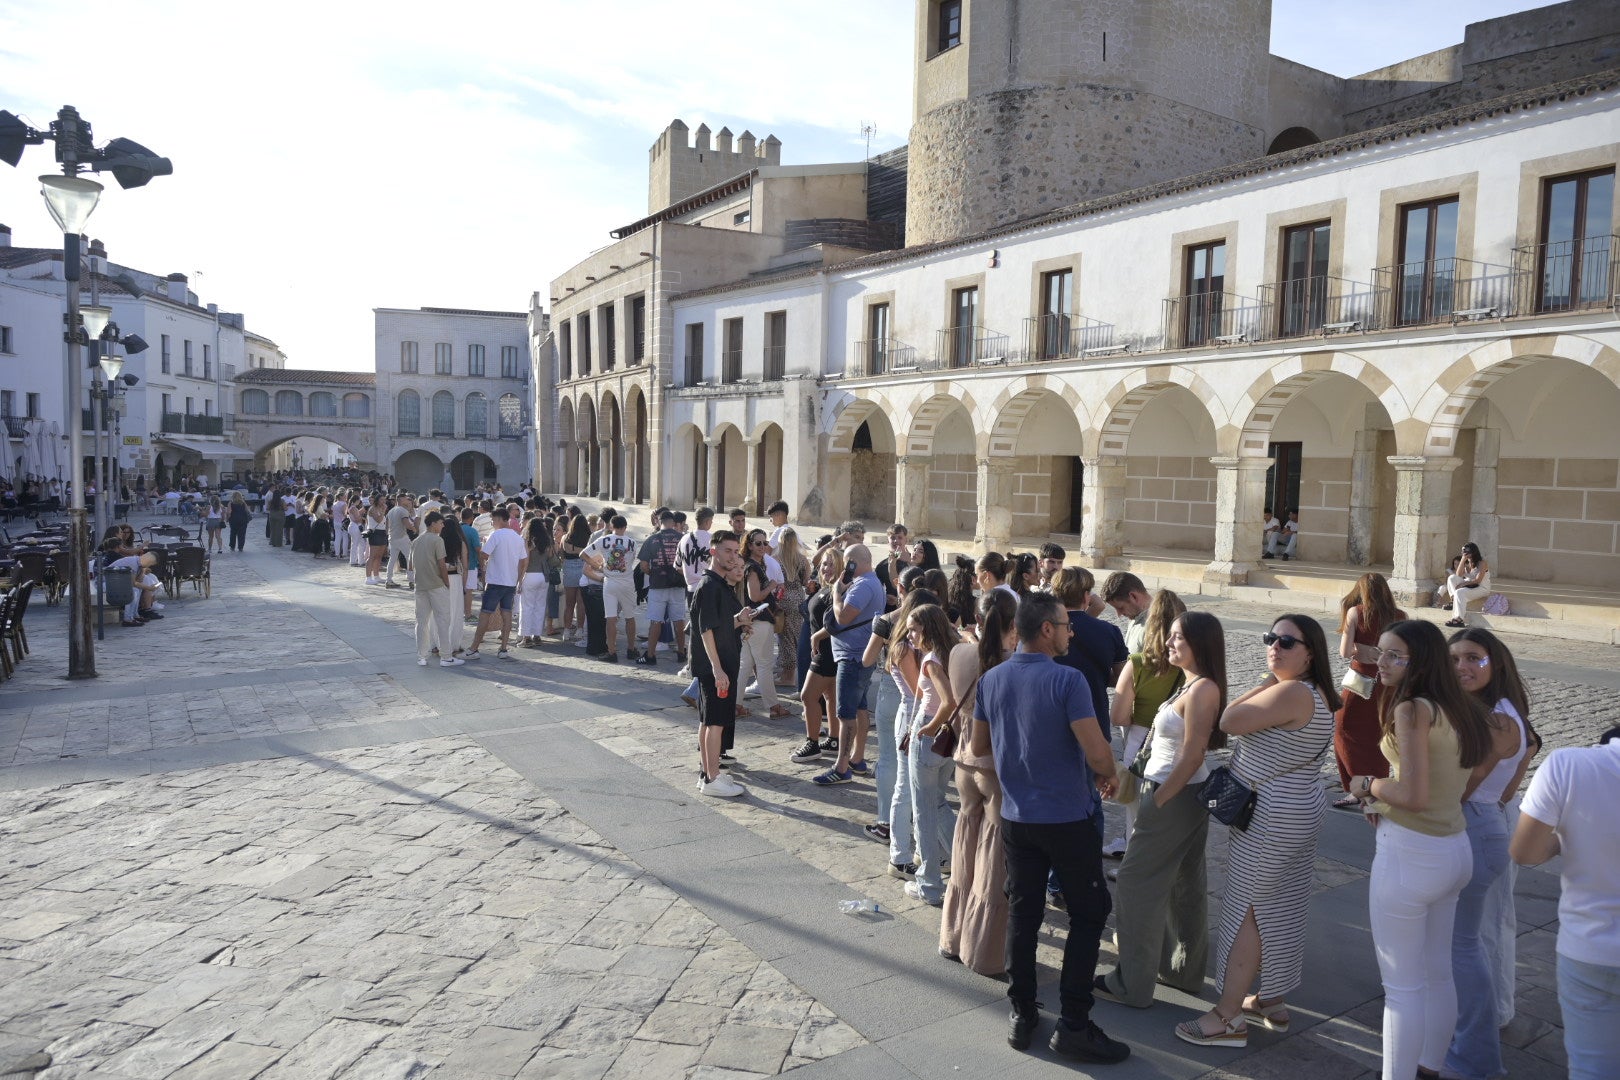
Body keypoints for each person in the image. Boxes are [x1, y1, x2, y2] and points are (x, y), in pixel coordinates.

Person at [972, 593, 1128, 1064]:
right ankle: (1075, 1023)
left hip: (1018, 817)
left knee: (1025, 912)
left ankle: (1022, 1014)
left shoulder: (992, 678)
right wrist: (1107, 772)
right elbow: (1097, 750)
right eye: (1065, 625)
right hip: (1066, 817)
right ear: (1045, 630)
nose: (1071, 632)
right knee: (1088, 911)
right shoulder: (1068, 679)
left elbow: (981, 745)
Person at [1179, 614, 1339, 1048]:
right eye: (1271, 638)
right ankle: (1272, 999)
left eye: (1288, 642)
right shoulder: (1317, 691)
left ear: (1311, 652)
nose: (1276, 647)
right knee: (1283, 905)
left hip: (1271, 817)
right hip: (1297, 809)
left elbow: (1229, 720)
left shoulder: (1289, 691)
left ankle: (1228, 1017)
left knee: (1247, 908)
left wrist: (1269, 678)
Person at [1347, 619, 1491, 1080]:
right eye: (1381, 652)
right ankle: (1430, 1064)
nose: (1381, 663)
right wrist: (1382, 799)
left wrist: (1367, 784)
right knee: (1437, 973)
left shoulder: (1413, 709)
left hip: (1412, 853)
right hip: (1453, 847)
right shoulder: (1460, 706)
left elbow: (1412, 794)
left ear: (1419, 662)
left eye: (1394, 656)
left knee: (1402, 987)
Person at [1098, 608, 1223, 1008]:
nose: (1168, 643)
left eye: (1177, 638)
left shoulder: (1202, 689)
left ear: (1199, 645)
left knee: (1135, 883)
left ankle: (1131, 983)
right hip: (1178, 790)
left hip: (1174, 792)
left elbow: (1193, 753)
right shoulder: (1192, 684)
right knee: (1184, 884)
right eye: (1169, 636)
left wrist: (1161, 798)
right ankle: (1180, 969)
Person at [1444, 628, 1538, 1080]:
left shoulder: (1498, 718)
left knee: (1476, 938)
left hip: (1475, 826)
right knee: (1473, 935)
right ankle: (1475, 1025)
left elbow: (1465, 787)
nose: (1462, 666)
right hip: (1485, 820)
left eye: (1473, 658)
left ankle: (1486, 1028)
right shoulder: (1493, 711)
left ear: (1494, 664)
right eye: (1455, 658)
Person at [1511, 725, 1620, 1080]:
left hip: (1590, 947)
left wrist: (1566, 839)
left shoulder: (1568, 765)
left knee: (1591, 1068)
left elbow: (1525, 852)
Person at [939, 589, 1017, 978]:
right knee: (992, 859)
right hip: (996, 768)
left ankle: (953, 937)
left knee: (965, 848)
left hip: (964, 762)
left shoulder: (959, 654)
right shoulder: (1011, 666)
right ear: (1013, 625)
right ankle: (984, 950)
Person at [1103, 589, 1188, 858]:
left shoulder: (1138, 664)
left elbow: (1117, 716)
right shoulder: (1191, 666)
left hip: (1142, 739)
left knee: (1137, 817)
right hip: (1182, 741)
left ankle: (1135, 866)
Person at [897, 603, 961, 907]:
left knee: (924, 811)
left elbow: (946, 701)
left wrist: (928, 729)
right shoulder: (955, 653)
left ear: (929, 629)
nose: (910, 635)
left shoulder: (933, 660)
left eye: (913, 628)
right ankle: (961, 863)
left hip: (931, 735)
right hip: (949, 739)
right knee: (937, 802)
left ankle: (930, 884)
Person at [812, 543, 885, 786]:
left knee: (845, 714)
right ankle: (857, 759)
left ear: (854, 561)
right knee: (860, 708)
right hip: (858, 655)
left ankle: (842, 767)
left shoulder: (863, 585)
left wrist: (836, 592)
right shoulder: (872, 582)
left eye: (847, 562)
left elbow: (843, 617)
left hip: (852, 657)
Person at [690, 530, 755, 797]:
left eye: (736, 551)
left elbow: (718, 625)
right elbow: (705, 631)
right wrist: (717, 669)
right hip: (716, 666)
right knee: (714, 722)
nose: (733, 556)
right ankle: (712, 778)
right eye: (728, 551)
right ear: (714, 552)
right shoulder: (710, 586)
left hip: (721, 663)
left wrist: (739, 623)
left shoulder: (718, 585)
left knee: (709, 720)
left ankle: (708, 774)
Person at [1333, 573, 1405, 807]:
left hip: (1361, 681)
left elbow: (1344, 652)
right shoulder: (1400, 616)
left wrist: (1361, 649)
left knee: (1343, 730)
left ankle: (1357, 787)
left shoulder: (1356, 612)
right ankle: (1379, 783)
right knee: (1379, 734)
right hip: (1389, 685)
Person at [467, 508, 526, 660]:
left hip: (495, 581)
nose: (492, 523)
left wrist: (485, 549)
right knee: (506, 615)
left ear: (499, 519)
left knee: (485, 614)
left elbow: (484, 554)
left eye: (493, 520)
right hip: (510, 582)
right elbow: (522, 559)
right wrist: (519, 579)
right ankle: (504, 648)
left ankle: (474, 648)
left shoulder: (496, 535)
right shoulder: (518, 537)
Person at [583, 515, 639, 663]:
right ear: (625, 527)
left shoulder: (603, 540)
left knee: (610, 618)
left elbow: (583, 554)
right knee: (630, 617)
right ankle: (631, 649)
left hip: (610, 581)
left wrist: (598, 567)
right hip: (626, 581)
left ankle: (611, 651)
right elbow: (631, 560)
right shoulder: (632, 542)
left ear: (611, 526)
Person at [411, 512, 463, 667]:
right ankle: (446, 656)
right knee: (443, 620)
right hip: (436, 585)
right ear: (433, 523)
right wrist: (447, 583)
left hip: (420, 586)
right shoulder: (437, 540)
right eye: (440, 522)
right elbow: (441, 564)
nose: (443, 525)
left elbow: (410, 565)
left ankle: (422, 656)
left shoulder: (416, 541)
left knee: (421, 622)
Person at [637, 510, 686, 665]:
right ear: (673, 522)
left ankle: (650, 655)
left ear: (659, 521)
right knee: (679, 620)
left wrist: (653, 573)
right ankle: (681, 652)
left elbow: (643, 565)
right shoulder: (682, 539)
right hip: (678, 584)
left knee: (656, 621)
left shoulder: (652, 539)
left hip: (658, 584)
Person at [774, 528, 811, 688]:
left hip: (782, 600)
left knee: (785, 638)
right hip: (799, 599)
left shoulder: (775, 559)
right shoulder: (802, 559)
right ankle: (789, 672)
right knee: (796, 636)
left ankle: (788, 676)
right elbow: (806, 581)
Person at [516, 518, 551, 648]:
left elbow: (525, 562)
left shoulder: (528, 541)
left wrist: (519, 580)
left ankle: (526, 637)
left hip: (530, 574)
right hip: (544, 576)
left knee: (526, 607)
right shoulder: (547, 541)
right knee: (540, 607)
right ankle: (536, 635)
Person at [1440, 542, 1491, 628]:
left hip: (1481, 588)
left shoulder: (1482, 563)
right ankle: (1453, 600)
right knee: (1452, 578)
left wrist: (1463, 584)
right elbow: (1458, 574)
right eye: (1463, 551)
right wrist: (1463, 560)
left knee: (1460, 592)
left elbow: (1478, 580)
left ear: (1473, 552)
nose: (1465, 553)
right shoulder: (1467, 563)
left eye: (1467, 552)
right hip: (1469, 585)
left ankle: (1459, 619)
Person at [559, 514, 591, 641]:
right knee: (581, 603)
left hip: (569, 568)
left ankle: (566, 631)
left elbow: (561, 555)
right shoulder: (588, 538)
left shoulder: (565, 538)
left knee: (569, 603)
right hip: (583, 568)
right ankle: (580, 629)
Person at [1101, 572, 1152, 653]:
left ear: (1133, 597)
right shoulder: (1135, 617)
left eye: (1121, 608)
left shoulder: (1155, 625)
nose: (1119, 614)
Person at [384, 494, 417, 588]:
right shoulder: (403, 511)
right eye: (406, 499)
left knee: (392, 559)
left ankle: (388, 580)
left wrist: (388, 534)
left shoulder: (391, 511)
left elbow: (386, 525)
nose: (407, 501)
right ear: (402, 500)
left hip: (392, 537)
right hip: (402, 537)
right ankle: (412, 581)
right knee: (410, 558)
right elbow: (406, 524)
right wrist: (414, 529)